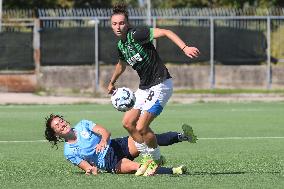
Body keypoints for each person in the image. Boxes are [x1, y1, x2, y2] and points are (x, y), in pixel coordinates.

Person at [107, 3, 200, 176]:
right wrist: (112, 82)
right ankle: (147, 157)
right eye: (114, 24)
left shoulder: (137, 34)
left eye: (121, 23)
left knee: (142, 126)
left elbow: (165, 32)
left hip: (161, 83)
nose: (118, 27)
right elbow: (121, 65)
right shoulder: (121, 45)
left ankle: (155, 159)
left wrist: (185, 47)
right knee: (128, 123)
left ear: (127, 23)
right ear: (111, 25)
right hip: (144, 87)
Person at [44, 114, 196, 176]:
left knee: (146, 137)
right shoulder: (69, 151)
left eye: (61, 121)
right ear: (56, 134)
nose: (62, 124)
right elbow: (86, 166)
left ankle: (182, 136)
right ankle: (174, 171)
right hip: (110, 162)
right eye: (57, 126)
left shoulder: (83, 124)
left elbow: (104, 131)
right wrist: (91, 169)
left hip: (116, 145)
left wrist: (103, 140)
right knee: (139, 167)